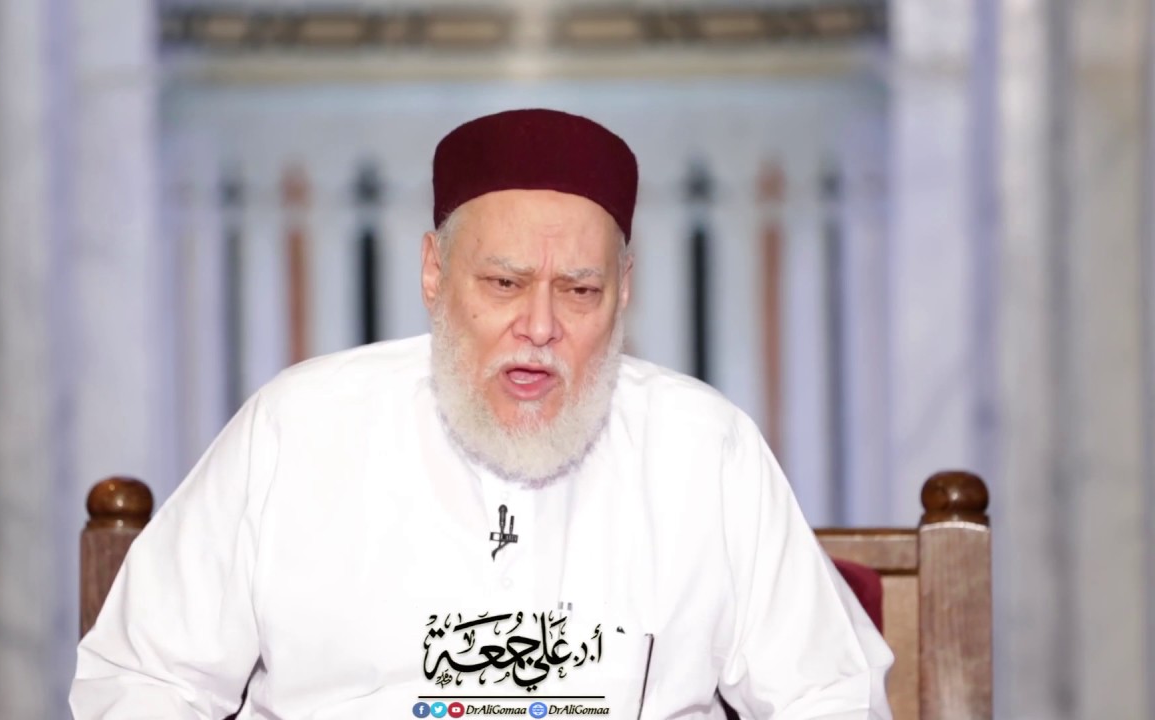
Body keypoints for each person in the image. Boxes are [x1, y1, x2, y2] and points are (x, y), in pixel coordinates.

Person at [70, 108, 892, 719]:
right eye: (504, 283)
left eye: (580, 290)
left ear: (624, 293)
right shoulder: (297, 430)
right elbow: (144, 681)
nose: (539, 326)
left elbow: (830, 694)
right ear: (434, 271)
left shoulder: (706, 453)